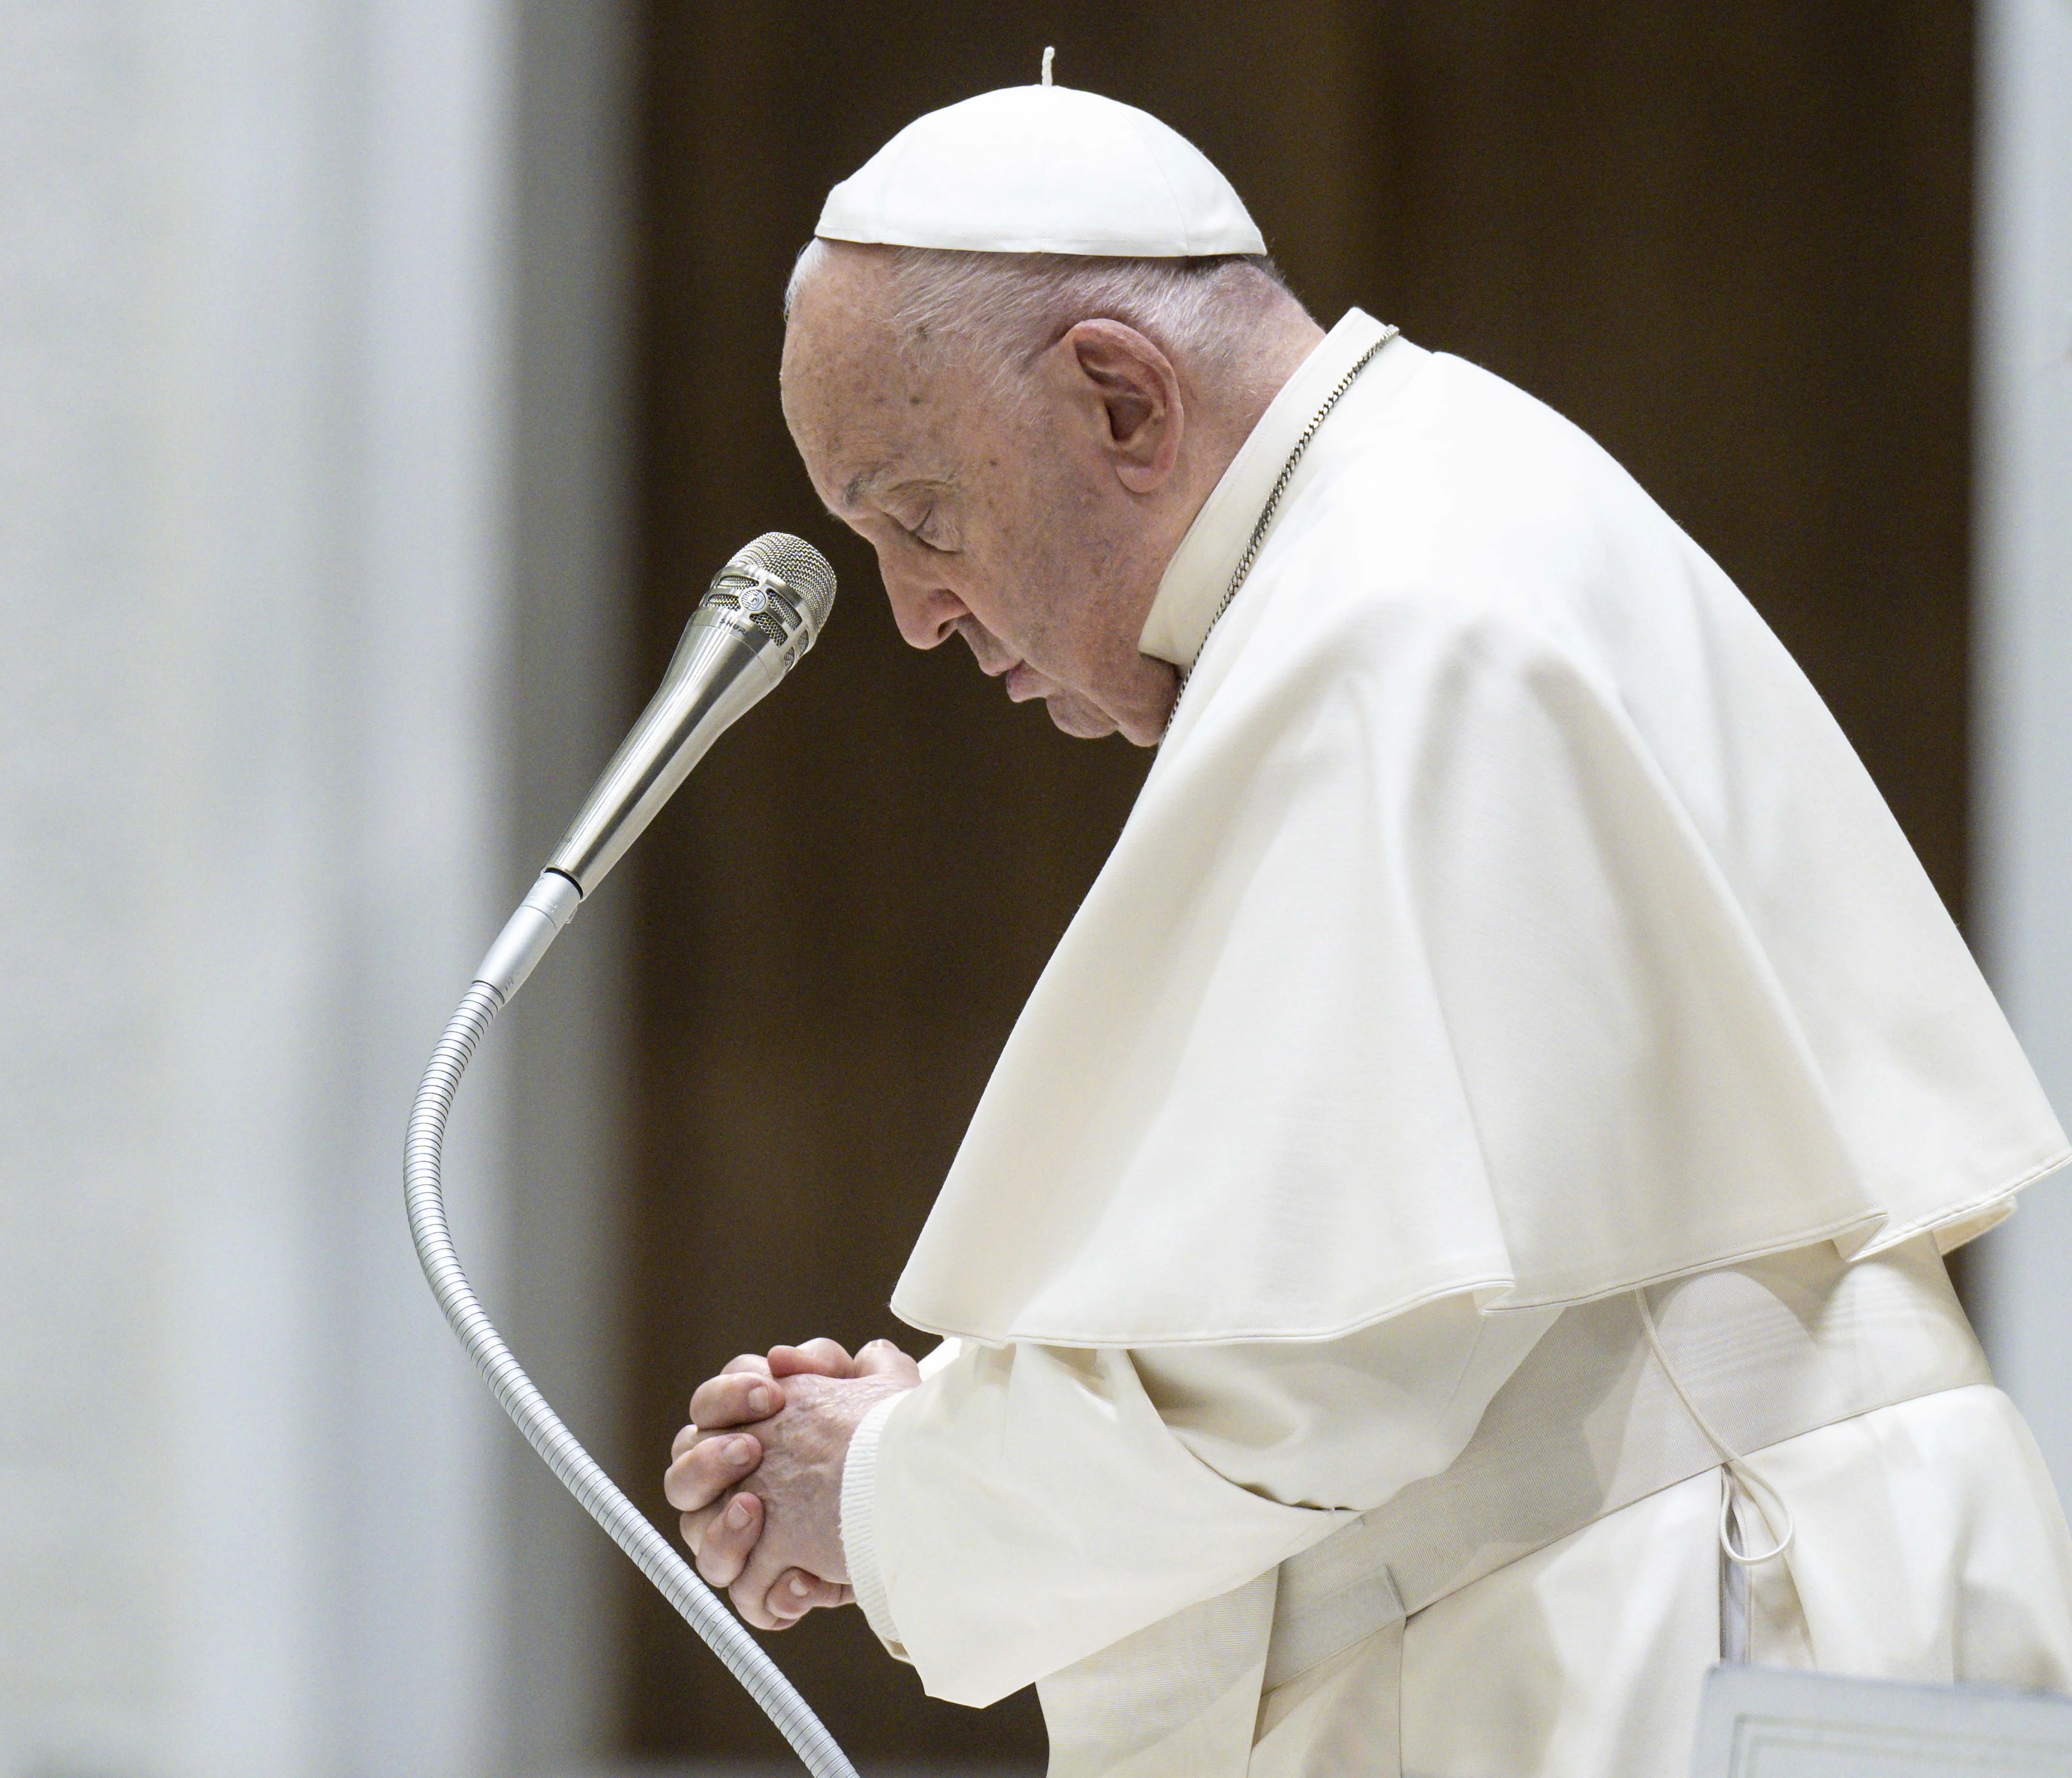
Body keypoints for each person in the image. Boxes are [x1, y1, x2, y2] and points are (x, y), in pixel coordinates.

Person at [660, 73, 2072, 1777]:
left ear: (1119, 398)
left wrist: (878, 1491)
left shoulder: (1392, 617)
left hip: (1691, 1640)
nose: (912, 611)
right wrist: (942, 1421)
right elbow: (1340, 1295)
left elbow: (1298, 1385)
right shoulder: (1424, 517)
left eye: (918, 517)